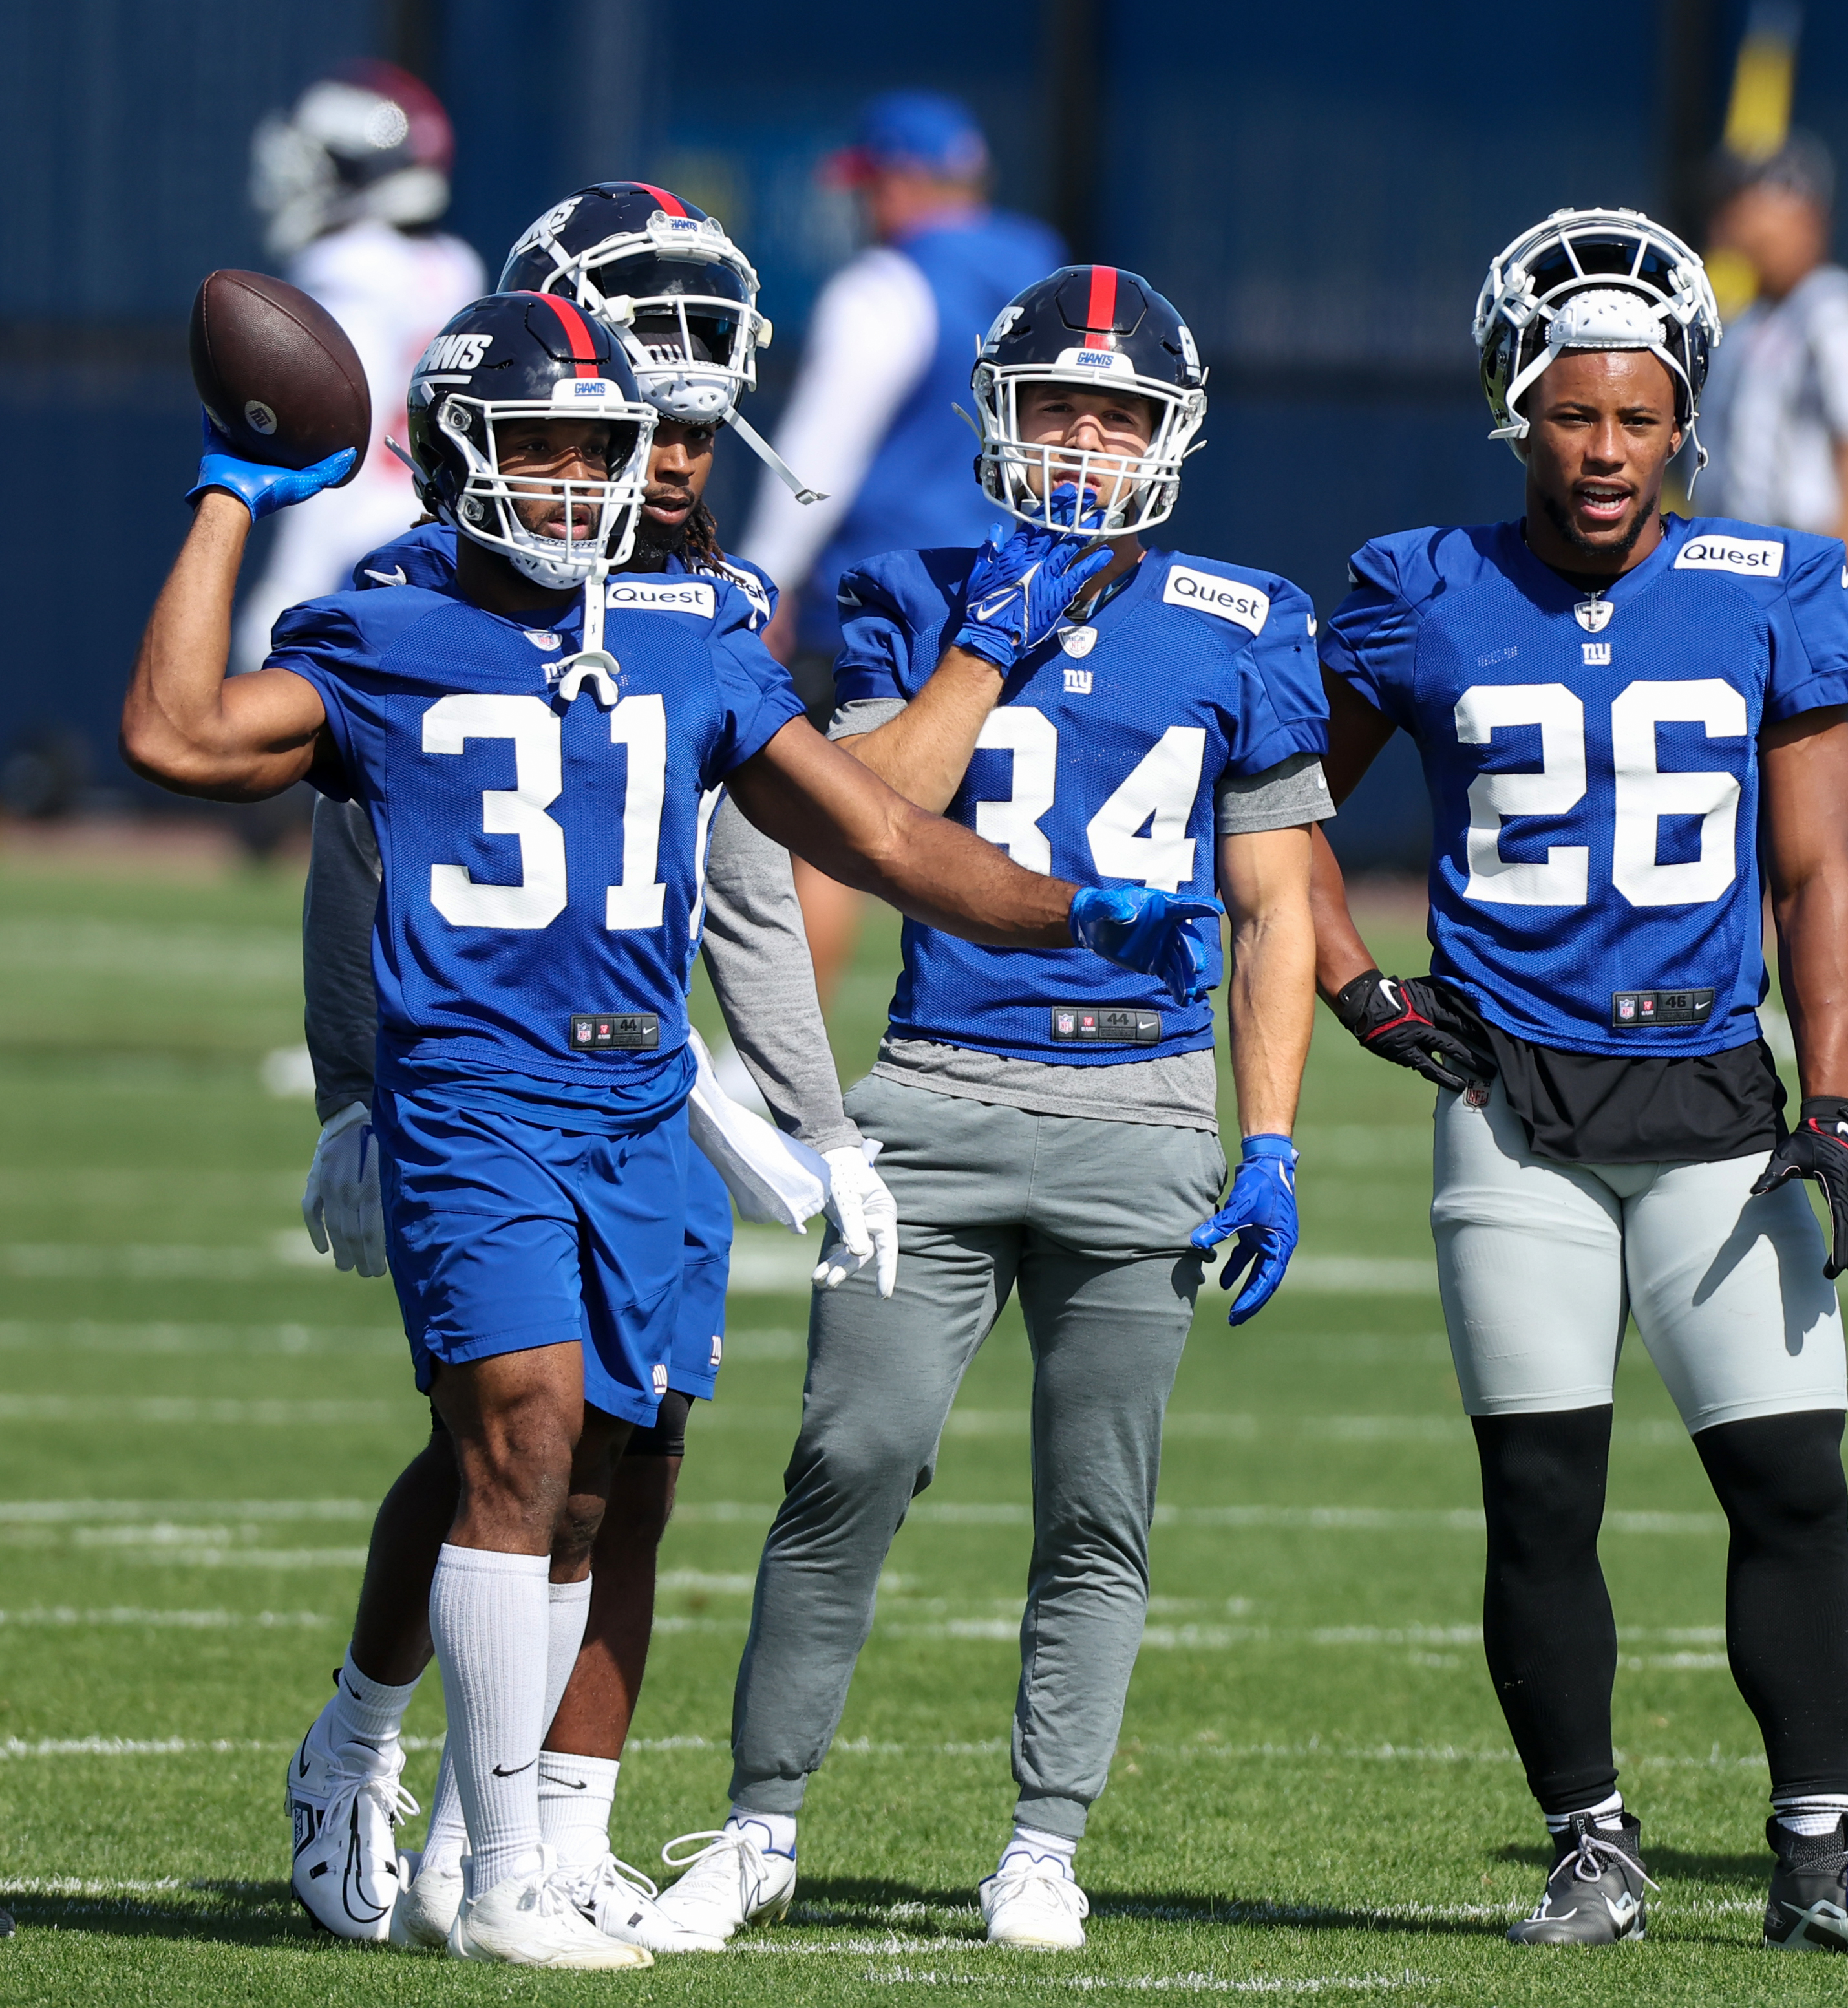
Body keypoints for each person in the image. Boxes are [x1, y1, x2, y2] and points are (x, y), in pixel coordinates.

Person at [125, 290, 1218, 1967]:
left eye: (595, 450)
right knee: (521, 1428)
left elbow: (876, 841)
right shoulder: (387, 627)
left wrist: (1074, 911)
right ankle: (492, 1878)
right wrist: (228, 492)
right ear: (461, 458)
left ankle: (518, 1860)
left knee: (600, 1478)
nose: (570, 483)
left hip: (645, 1103)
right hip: (475, 1097)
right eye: (536, 448)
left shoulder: (692, 636)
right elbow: (175, 735)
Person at [1305, 208, 1848, 1958]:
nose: (1601, 451)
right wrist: (1357, 988)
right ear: (1511, 409)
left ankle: (1819, 1859)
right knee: (1539, 1490)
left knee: (1788, 1478)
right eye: (1568, 413)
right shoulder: (1415, 587)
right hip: (1509, 1096)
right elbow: (1271, 811)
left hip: (1709, 1094)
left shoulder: (1773, 586)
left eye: (1634, 415)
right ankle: (1587, 1845)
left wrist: (1833, 1098)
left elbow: (1819, 872)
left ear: (1685, 415)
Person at [649, 264, 1327, 1956]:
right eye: (1058, 406)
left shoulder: (1249, 619)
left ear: (1169, 435)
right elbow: (856, 822)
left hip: (1147, 1110)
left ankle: (1042, 1839)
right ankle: (759, 1822)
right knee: (847, 1461)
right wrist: (985, 639)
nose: (1086, 443)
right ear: (997, 417)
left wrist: (1268, 1140)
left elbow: (1270, 910)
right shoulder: (904, 589)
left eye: (1119, 413)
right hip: (936, 1100)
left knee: (1097, 1501)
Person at [283, 185, 900, 1958]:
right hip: (483, 1069)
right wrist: (350, 1089)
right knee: (504, 1443)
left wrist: (816, 1118)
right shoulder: (446, 576)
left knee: (636, 1447)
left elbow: (745, 887)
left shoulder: (710, 603)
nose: (685, 431)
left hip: (645, 1069)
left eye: (702, 401)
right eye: (654, 386)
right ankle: (366, 1749)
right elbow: (357, 853)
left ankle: (558, 1836)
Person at [738, 91, 1067, 1006]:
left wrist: (763, 577)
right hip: (1022, 590)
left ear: (905, 183)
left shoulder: (885, 285)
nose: (859, 205)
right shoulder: (1042, 268)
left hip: (886, 595)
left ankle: (765, 1066)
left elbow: (817, 451)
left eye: (869, 185)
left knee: (830, 827)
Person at [1691, 131, 1848, 1065]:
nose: (1736, 218)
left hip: (1790, 584)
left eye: (1754, 199)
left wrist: (1833, 590)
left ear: (1799, 206)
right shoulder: (1748, 321)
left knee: (1813, 799)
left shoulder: (1833, 316)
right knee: (1731, 795)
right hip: (1730, 587)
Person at [235, 60, 486, 674]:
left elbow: (341, 441)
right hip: (452, 547)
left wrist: (285, 591)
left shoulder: (346, 272)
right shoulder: (453, 266)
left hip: (363, 561)